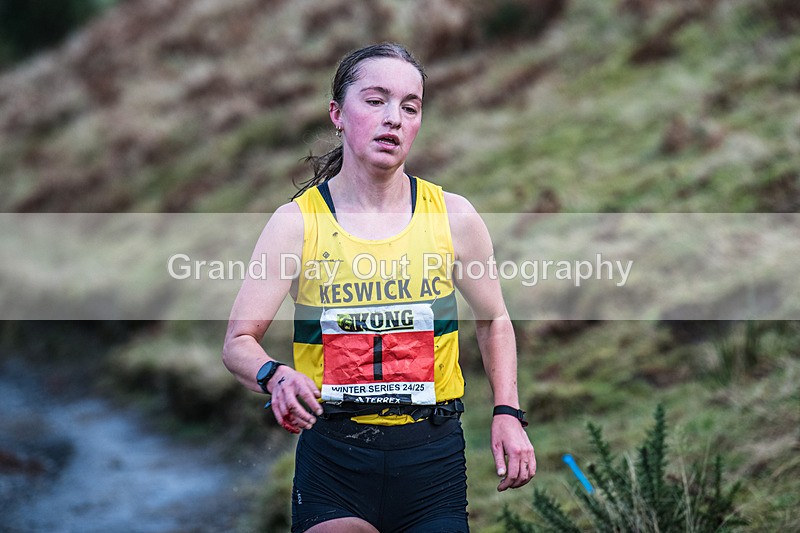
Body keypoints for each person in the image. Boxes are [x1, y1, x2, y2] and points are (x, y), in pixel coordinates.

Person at [222, 42, 535, 533]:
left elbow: (494, 318)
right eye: (375, 100)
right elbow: (238, 343)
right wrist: (276, 376)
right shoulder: (296, 224)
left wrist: (507, 412)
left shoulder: (454, 217)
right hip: (334, 460)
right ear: (337, 114)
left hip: (432, 461)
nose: (394, 118)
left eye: (410, 107)